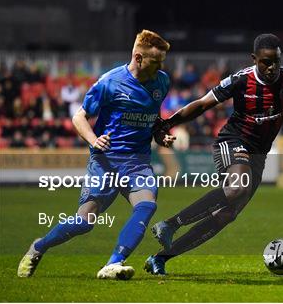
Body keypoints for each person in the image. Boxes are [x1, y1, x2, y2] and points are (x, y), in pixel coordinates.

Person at [144, 33, 283, 275]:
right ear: (254, 59)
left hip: (258, 155)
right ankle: (170, 224)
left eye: (276, 60)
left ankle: (160, 259)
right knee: (238, 187)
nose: (272, 67)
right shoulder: (240, 80)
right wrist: (167, 123)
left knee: (226, 215)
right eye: (266, 61)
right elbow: (201, 104)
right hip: (232, 141)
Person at [18, 30, 176, 280]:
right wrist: (93, 139)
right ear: (138, 58)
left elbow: (152, 118)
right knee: (84, 222)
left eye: (162, 62)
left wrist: (160, 134)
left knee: (147, 206)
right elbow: (79, 116)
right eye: (155, 61)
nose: (160, 67)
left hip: (138, 162)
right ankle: (39, 246)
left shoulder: (162, 81)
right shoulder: (110, 82)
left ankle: (114, 263)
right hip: (106, 162)